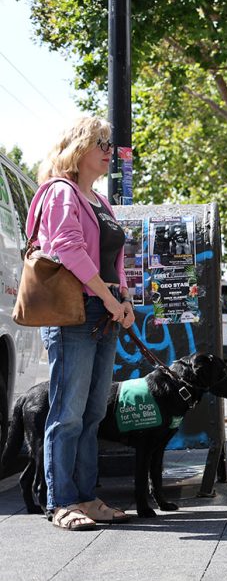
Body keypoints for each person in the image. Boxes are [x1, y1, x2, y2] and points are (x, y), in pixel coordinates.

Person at [27, 116, 136, 530]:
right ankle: (61, 502)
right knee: (67, 413)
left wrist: (122, 300)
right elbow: (69, 249)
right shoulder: (60, 192)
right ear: (78, 148)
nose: (109, 150)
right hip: (75, 312)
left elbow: (114, 257)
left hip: (104, 311)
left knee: (92, 413)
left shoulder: (100, 201)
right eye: (100, 143)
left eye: (109, 143)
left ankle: (87, 497)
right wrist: (109, 298)